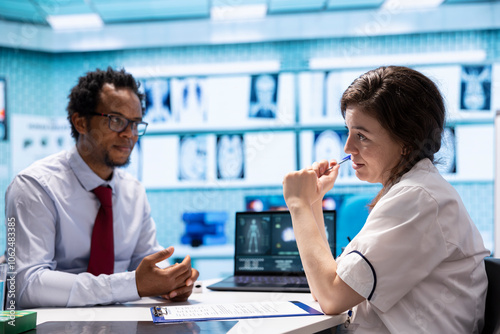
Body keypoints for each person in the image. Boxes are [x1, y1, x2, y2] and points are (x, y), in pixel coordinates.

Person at [282, 66, 489, 333]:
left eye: (361, 136)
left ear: (406, 142)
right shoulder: (410, 192)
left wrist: (297, 205)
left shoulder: (418, 200)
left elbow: (332, 298)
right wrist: (313, 202)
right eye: (348, 132)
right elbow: (325, 288)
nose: (347, 148)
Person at [5, 67, 199, 308]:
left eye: (136, 124)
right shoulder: (34, 187)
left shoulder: (133, 192)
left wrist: (171, 282)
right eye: (116, 120)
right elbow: (26, 285)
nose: (130, 134)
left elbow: (145, 262)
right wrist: (130, 285)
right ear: (80, 122)